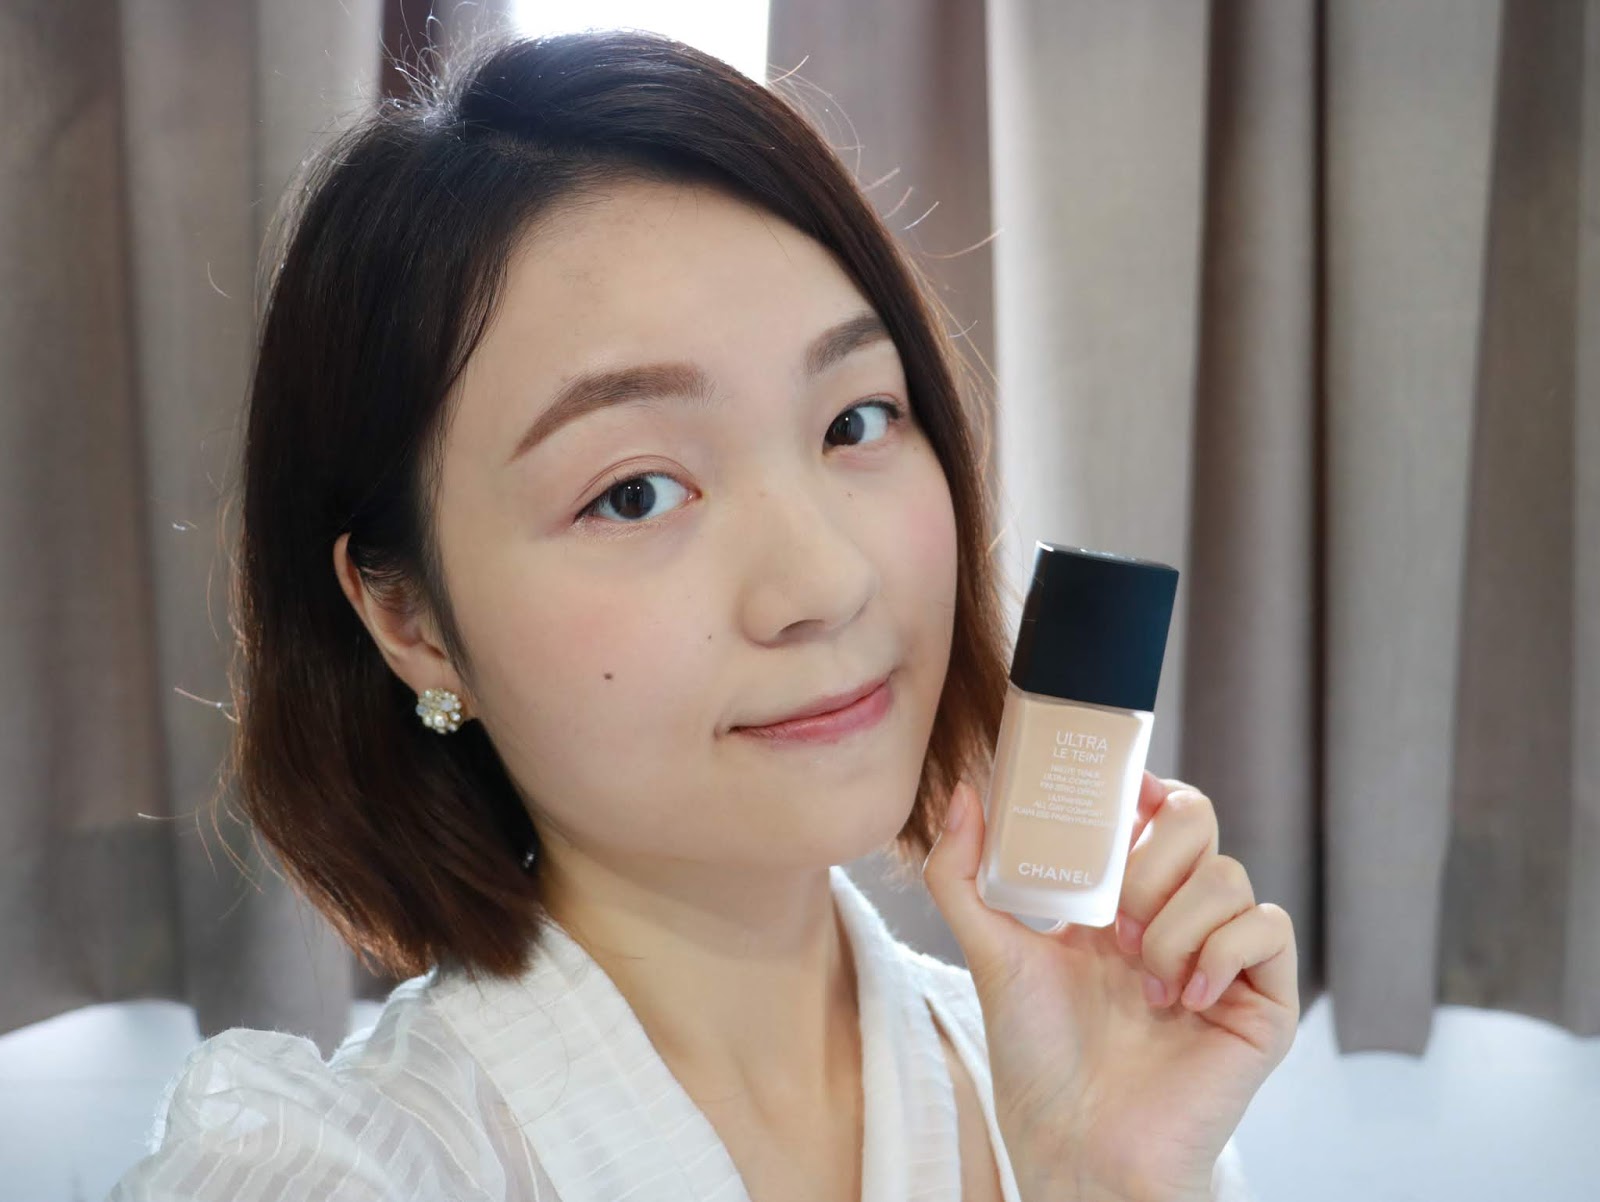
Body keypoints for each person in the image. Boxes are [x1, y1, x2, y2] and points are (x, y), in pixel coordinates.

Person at [109, 26, 1298, 1202]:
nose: (823, 582)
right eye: (634, 491)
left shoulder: (1073, 1091)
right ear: (409, 619)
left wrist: (1103, 1178)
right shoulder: (337, 1174)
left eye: (855, 422)